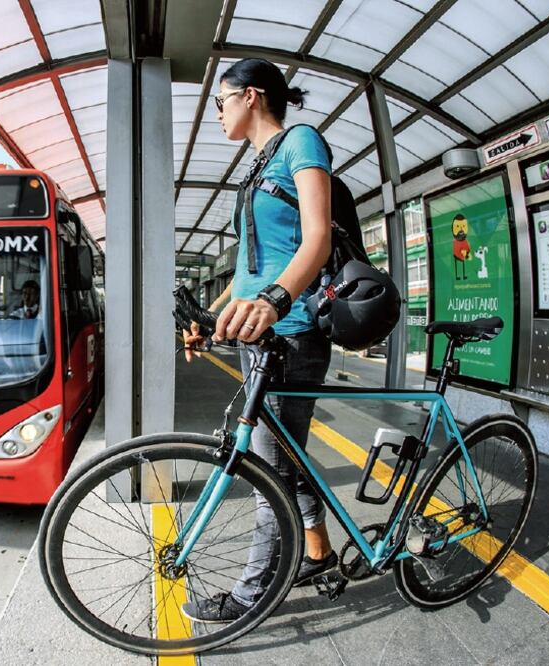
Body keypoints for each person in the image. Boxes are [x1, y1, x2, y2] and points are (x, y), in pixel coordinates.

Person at [181, 57, 335, 622]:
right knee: (283, 459)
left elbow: (316, 239)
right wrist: (214, 315)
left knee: (268, 469)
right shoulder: (254, 168)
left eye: (221, 101)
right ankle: (316, 551)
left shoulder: (301, 142)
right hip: (260, 337)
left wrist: (273, 301)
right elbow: (249, 268)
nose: (218, 113)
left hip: (292, 333)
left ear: (250, 97)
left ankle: (252, 594)